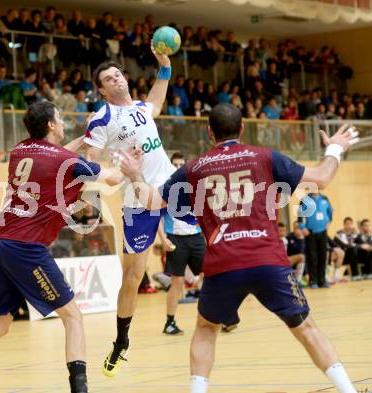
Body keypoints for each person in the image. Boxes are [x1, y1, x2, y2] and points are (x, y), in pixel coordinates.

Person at [118, 103, 359, 393]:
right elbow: (322, 178)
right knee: (306, 328)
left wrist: (134, 173)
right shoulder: (265, 157)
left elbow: (150, 201)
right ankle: (348, 391)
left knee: (207, 330)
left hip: (223, 263)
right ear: (242, 128)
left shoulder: (193, 168)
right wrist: (334, 149)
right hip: (267, 259)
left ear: (209, 132)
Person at [0, 101, 124, 393]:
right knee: (73, 317)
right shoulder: (65, 161)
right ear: (50, 125)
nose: (62, 123)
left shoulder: (20, 150)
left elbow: (58, 156)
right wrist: (129, 161)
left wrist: (87, 138)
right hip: (25, 247)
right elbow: (112, 177)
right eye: (59, 118)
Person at [83, 45, 174, 377]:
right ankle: (121, 341)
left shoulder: (141, 108)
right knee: (133, 276)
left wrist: (164, 66)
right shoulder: (102, 118)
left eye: (118, 73)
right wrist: (115, 172)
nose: (116, 78)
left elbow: (159, 95)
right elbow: (88, 162)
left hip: (172, 187)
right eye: (109, 78)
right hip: (137, 199)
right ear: (103, 90)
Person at [158, 152, 205, 335]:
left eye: (181, 164)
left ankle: (217, 316)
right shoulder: (166, 189)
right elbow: (157, 218)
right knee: (176, 282)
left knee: (210, 276)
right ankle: (169, 322)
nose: (179, 167)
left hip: (196, 237)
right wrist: (163, 239)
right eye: (175, 164)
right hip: (175, 238)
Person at [298, 191, 333, 288]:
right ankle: (313, 281)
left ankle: (322, 280)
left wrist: (329, 221)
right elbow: (300, 215)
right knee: (312, 257)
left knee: (323, 256)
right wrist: (302, 227)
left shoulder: (325, 198)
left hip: (323, 232)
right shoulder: (305, 199)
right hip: (310, 233)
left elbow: (330, 212)